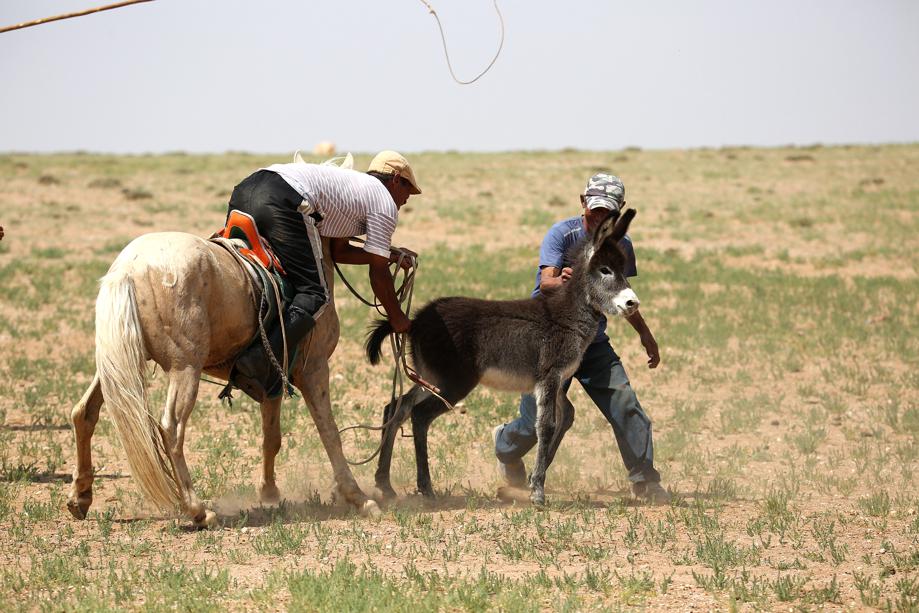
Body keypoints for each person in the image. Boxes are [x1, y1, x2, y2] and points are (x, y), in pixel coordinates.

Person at [492, 173, 670, 505]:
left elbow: (620, 294)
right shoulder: (562, 234)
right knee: (536, 422)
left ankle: (644, 480)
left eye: (608, 214)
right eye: (595, 212)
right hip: (549, 341)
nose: (599, 220)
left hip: (591, 342)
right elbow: (546, 283)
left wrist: (645, 334)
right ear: (582, 203)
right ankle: (505, 446)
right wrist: (562, 280)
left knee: (625, 404)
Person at [226, 150, 421, 401]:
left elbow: (340, 252)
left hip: (248, 187)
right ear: (395, 179)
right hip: (284, 198)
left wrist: (390, 256)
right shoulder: (384, 202)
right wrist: (398, 318)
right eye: (408, 190)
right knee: (315, 293)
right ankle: (256, 361)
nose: (406, 199)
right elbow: (379, 274)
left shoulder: (354, 191)